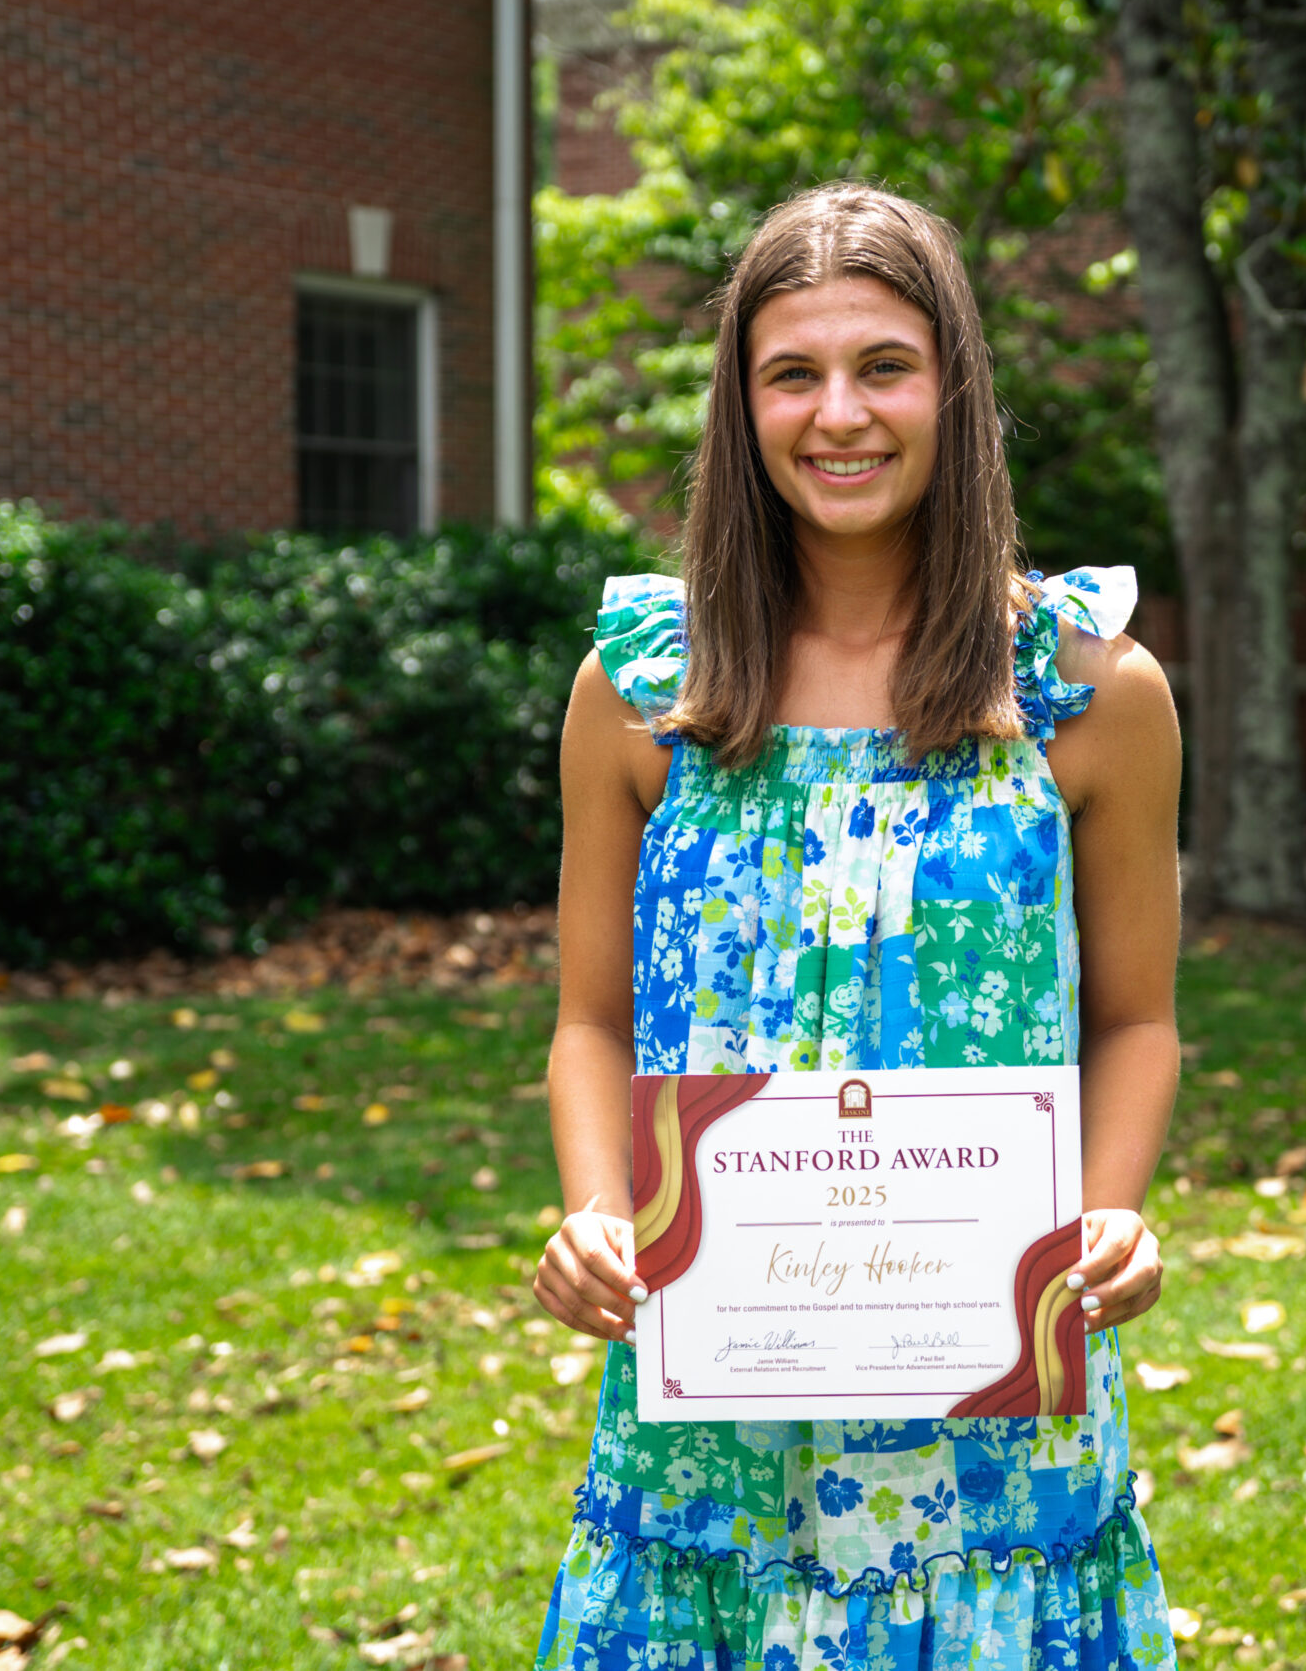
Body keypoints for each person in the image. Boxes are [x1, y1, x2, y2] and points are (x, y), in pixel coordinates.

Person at [532, 182, 1182, 1671]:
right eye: (792, 372)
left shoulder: (1088, 689)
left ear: (953, 382)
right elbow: (593, 1020)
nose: (841, 414)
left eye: (884, 364)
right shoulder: (643, 688)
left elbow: (1135, 1018)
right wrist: (585, 1210)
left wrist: (1118, 1210)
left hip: (990, 1435)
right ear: (739, 404)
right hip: (712, 1416)